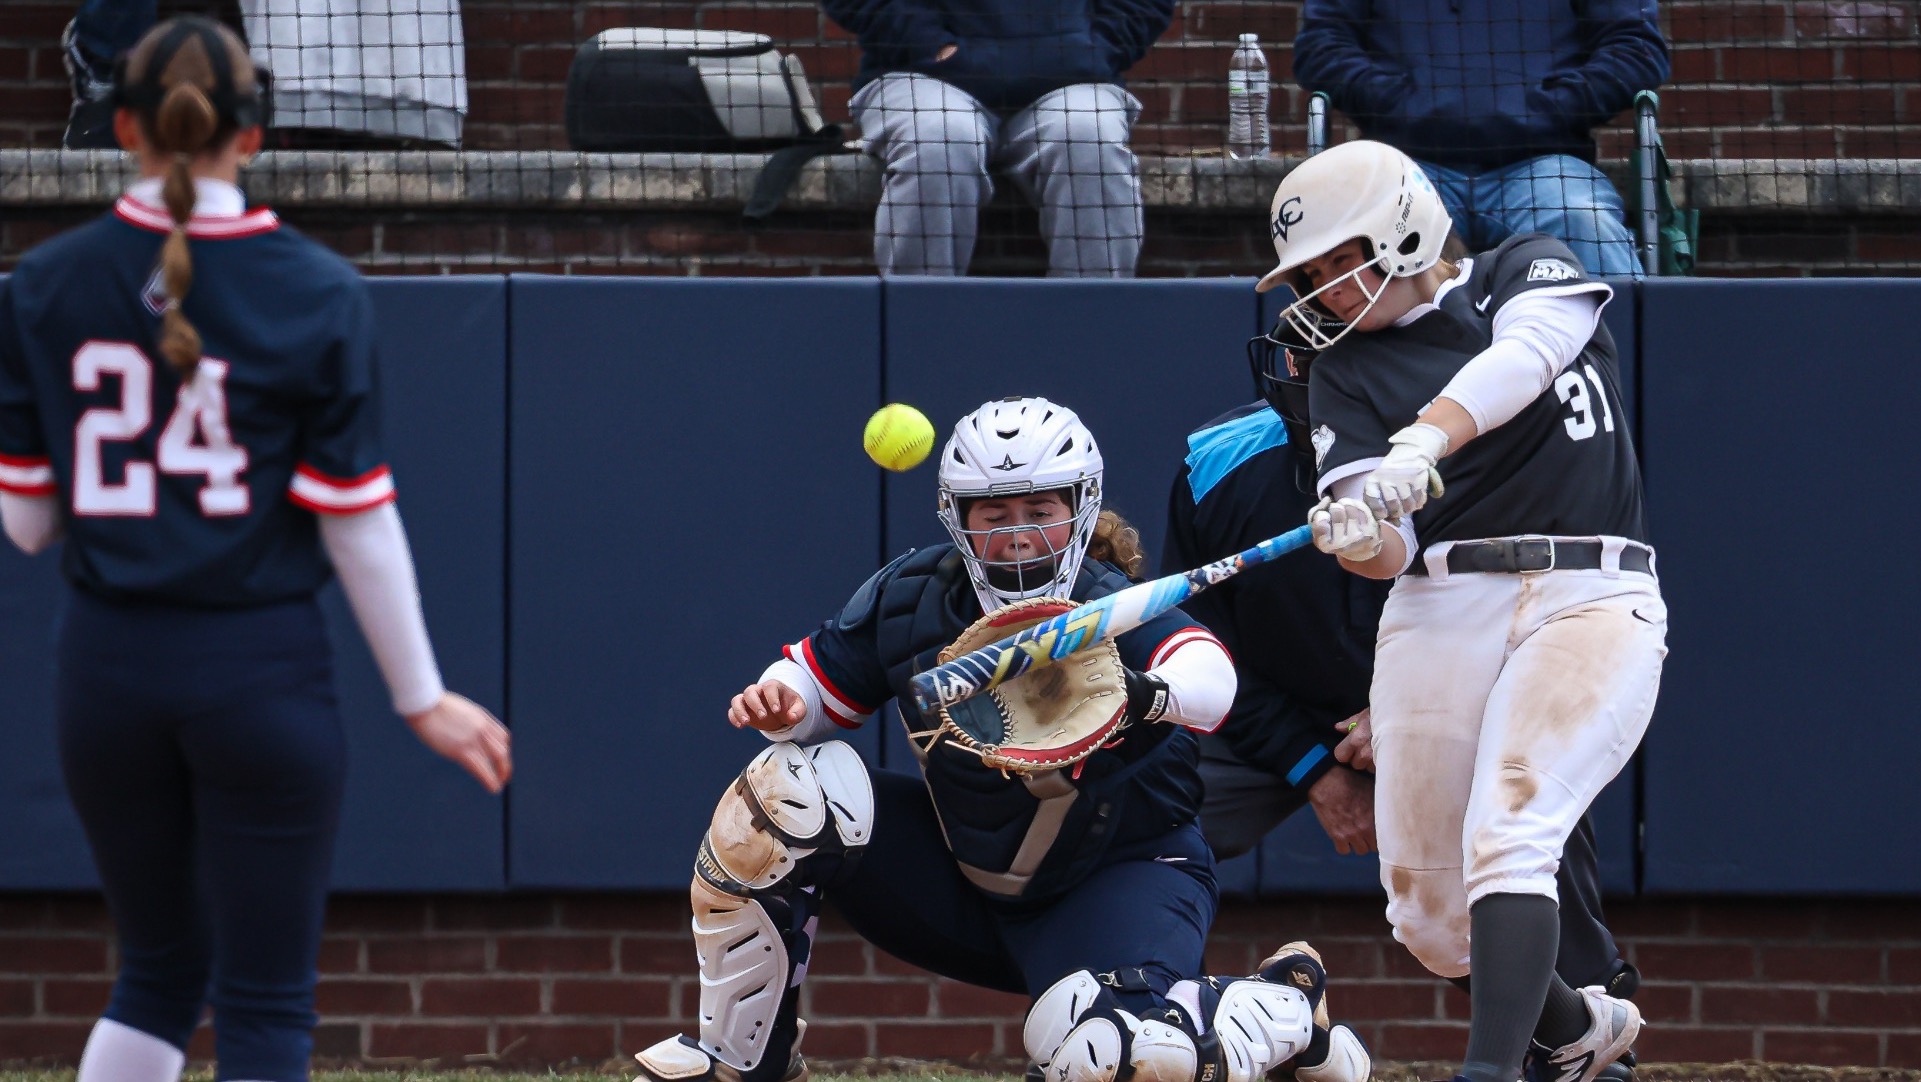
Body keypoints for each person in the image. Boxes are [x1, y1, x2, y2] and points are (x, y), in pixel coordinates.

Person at [0, 18, 511, 1082]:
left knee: (155, 970)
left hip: (104, 672)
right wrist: (422, 696)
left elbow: (30, 525)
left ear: (126, 125)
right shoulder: (314, 288)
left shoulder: (42, 284)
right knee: (266, 1003)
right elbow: (357, 518)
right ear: (256, 133)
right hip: (258, 671)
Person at [629, 397, 1371, 1082]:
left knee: (1110, 1057)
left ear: (1079, 509)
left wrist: (1145, 695)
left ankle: (1285, 1011)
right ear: (958, 516)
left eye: (1039, 508)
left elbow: (1210, 680)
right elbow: (815, 690)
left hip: (1117, 884)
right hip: (965, 878)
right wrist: (780, 701)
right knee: (782, 789)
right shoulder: (913, 596)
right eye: (995, 511)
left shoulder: (1112, 605)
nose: (1016, 532)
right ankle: (739, 1059)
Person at [1251, 139, 1667, 1082]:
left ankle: (1486, 1074)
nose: (1319, 290)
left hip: (1587, 590)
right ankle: (1572, 1031)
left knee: (1510, 836)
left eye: (1333, 262)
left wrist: (1421, 442)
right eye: (1305, 276)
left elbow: (1528, 355)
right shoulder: (1342, 370)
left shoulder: (1520, 269)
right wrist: (1357, 532)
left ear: (1399, 229)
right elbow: (1386, 548)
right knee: (1430, 922)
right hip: (1440, 601)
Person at [1163, 332, 1640, 1079]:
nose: (1322, 375)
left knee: (1520, 797)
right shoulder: (1216, 461)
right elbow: (1199, 644)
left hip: (1449, 694)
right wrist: (1312, 769)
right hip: (1279, 725)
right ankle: (1132, 1010)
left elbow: (1528, 620)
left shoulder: (1487, 443)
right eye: (1304, 353)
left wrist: (1394, 715)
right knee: (1160, 797)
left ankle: (1576, 1031)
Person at [1292, 0, 1669, 279]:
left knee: (1584, 221)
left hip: (1545, 166)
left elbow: (1637, 49)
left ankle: (1631, 382)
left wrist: (1542, 107)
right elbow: (1321, 48)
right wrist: (1408, 105)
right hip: (1408, 166)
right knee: (1372, 233)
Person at [818, 0, 1174, 277]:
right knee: (938, 142)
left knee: (1089, 140)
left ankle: (1088, 342)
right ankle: (920, 339)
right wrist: (928, 43)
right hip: (923, 73)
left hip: (1073, 79)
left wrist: (1092, 51)